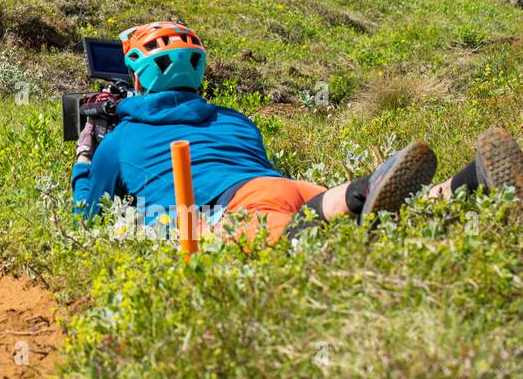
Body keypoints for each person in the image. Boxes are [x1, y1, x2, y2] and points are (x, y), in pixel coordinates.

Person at [72, 20, 523, 244]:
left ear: (136, 79)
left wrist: (84, 160)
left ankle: (363, 205)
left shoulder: (121, 141)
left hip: (236, 209)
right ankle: (462, 182)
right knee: (362, 214)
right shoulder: (234, 120)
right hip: (287, 187)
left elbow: (86, 216)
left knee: (303, 247)